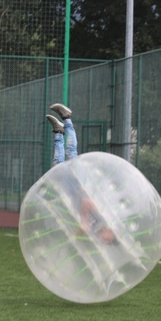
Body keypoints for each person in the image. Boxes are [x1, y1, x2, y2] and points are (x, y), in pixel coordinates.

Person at [46, 103, 116, 245]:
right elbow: (87, 202)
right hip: (84, 187)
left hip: (73, 194)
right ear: (112, 234)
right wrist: (84, 223)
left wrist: (78, 231)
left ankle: (59, 132)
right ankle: (67, 117)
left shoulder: (96, 231)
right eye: (108, 240)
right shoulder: (106, 220)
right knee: (72, 153)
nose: (104, 240)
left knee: (57, 168)